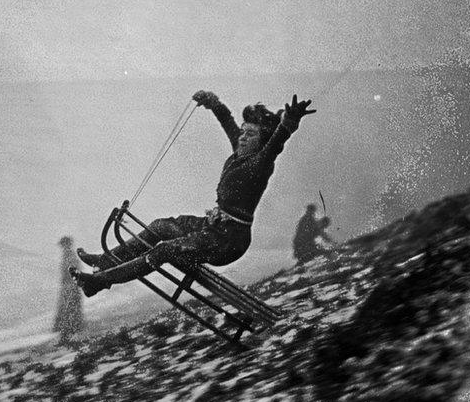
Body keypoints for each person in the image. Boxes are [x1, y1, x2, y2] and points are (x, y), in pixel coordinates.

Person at [71, 91, 315, 297]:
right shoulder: (240, 151)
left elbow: (277, 145)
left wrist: (287, 125)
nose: (241, 137)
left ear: (261, 141)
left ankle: (100, 281)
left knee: (164, 249)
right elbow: (228, 124)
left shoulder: (260, 163)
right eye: (242, 131)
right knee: (161, 226)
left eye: (250, 134)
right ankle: (105, 261)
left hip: (228, 243)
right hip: (214, 228)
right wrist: (214, 103)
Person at [53, 236, 85, 343]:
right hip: (69, 286)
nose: (63, 247)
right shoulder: (68, 255)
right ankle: (69, 332)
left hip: (71, 286)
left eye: (64, 245)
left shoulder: (70, 255)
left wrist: (70, 283)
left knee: (70, 307)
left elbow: (73, 271)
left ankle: (71, 332)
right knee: (68, 308)